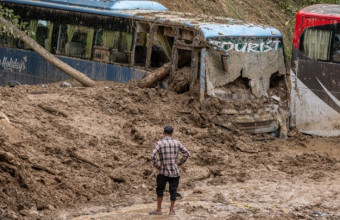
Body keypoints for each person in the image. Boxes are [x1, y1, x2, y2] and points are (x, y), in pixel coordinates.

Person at [149, 125, 190, 215]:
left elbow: (152, 155)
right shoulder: (177, 143)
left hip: (163, 171)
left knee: (160, 190)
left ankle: (159, 210)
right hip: (175, 171)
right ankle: (171, 210)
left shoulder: (159, 143)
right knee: (173, 191)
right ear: (172, 133)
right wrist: (179, 163)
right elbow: (186, 153)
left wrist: (157, 165)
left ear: (163, 133)